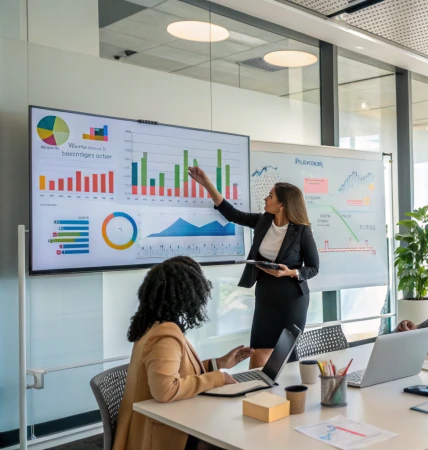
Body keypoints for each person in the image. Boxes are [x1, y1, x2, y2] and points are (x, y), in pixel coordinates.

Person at [114, 256, 254, 450]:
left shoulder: (154, 325)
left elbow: (177, 373)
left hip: (162, 421)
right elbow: (165, 390)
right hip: (159, 434)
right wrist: (217, 379)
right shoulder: (164, 336)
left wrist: (219, 364)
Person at [190, 167, 319, 369]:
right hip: (266, 294)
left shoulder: (302, 231)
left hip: (292, 297)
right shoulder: (263, 221)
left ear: (282, 205)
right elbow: (232, 214)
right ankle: (256, 395)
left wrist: (291, 272)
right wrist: (206, 184)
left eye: (270, 196)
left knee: (284, 353)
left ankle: (290, 395)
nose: (266, 199)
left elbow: (313, 267)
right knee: (258, 349)